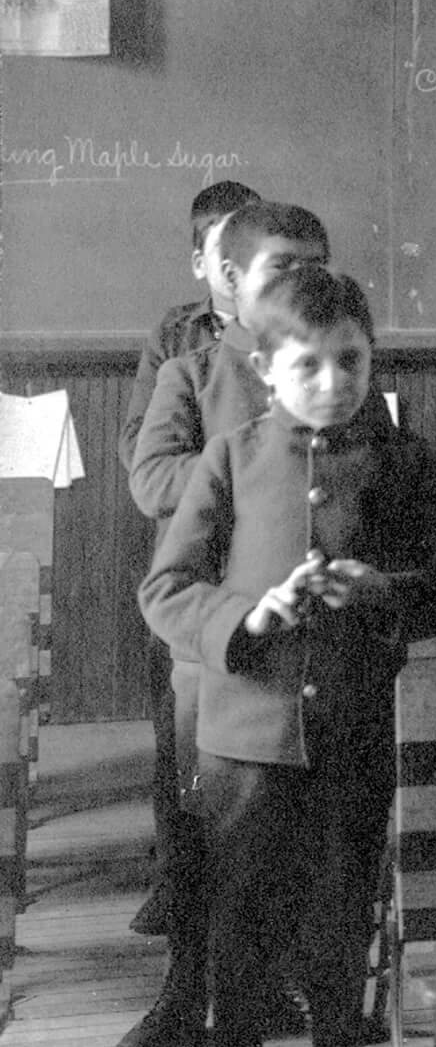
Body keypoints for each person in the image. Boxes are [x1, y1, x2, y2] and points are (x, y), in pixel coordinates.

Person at [140, 266, 436, 1047]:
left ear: (374, 360)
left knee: (339, 928)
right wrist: (248, 615)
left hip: (351, 734)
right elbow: (166, 589)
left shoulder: (404, 461)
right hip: (242, 742)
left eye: (352, 363)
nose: (333, 385)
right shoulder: (231, 454)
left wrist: (383, 589)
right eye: (309, 368)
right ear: (264, 369)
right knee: (241, 926)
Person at [120, 201, 346, 1047]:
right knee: (198, 830)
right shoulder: (191, 372)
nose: (302, 281)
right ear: (230, 283)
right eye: (281, 267)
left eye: (316, 264)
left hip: (310, 655)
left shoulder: (336, 370)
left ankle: (281, 997)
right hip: (211, 644)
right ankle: (183, 997)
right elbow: (150, 483)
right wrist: (253, 458)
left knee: (292, 837)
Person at [117, 180, 258, 948]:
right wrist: (238, 475)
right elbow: (144, 464)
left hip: (264, 588)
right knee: (186, 772)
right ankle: (179, 896)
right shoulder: (180, 344)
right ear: (205, 259)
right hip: (194, 575)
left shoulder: (306, 343)